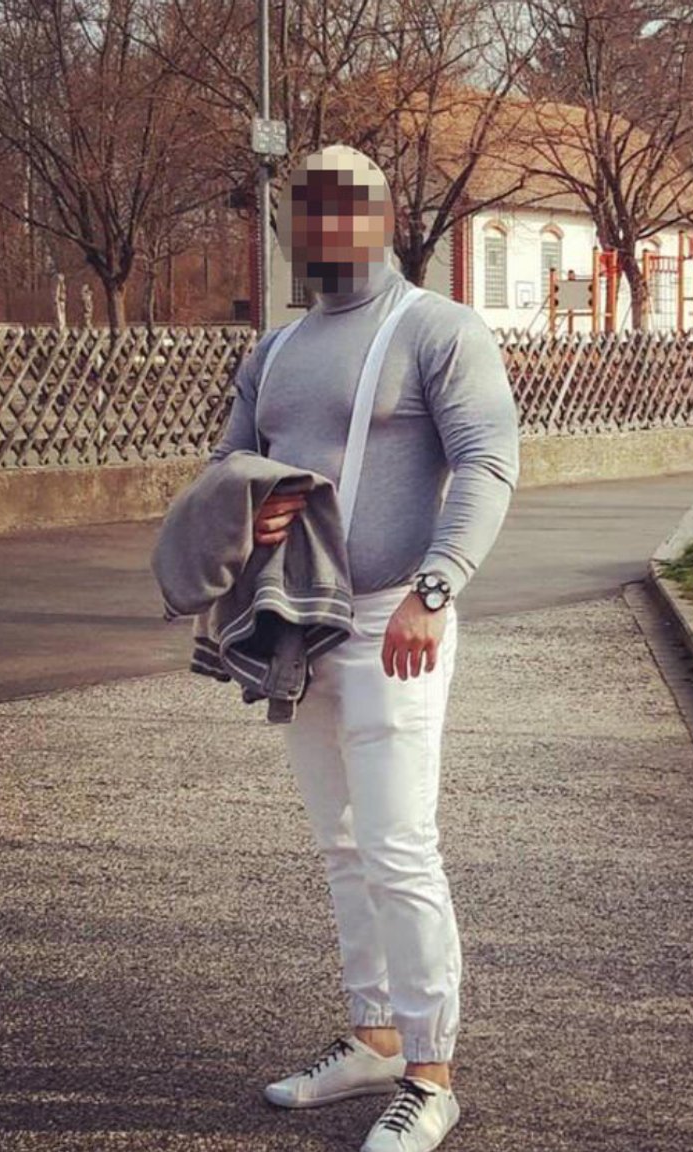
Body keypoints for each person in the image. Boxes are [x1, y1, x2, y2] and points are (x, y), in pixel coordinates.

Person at [209, 144, 519, 1152]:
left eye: (347, 206)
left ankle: (431, 1075)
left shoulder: (437, 328)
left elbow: (487, 461)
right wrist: (247, 514)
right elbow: (230, 463)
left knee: (396, 846)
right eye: (309, 207)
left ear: (384, 217)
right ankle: (375, 1038)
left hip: (395, 615)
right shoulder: (280, 347)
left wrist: (436, 589)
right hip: (301, 622)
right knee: (341, 846)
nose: (326, 225)